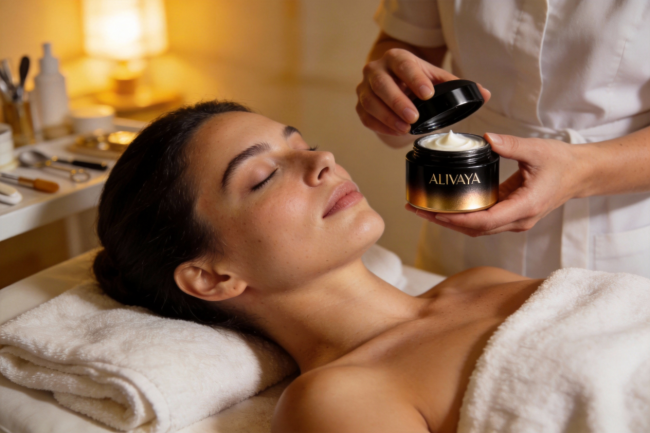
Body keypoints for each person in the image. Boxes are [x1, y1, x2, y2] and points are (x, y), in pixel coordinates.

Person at [93, 101, 650, 432]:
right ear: (213, 276)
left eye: (303, 144)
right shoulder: (336, 401)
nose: (322, 160)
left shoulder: (482, 282)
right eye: (263, 176)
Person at [357, 1, 650, 278]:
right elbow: (410, 41)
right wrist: (391, 91)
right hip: (460, 209)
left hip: (617, 216)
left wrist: (579, 171)